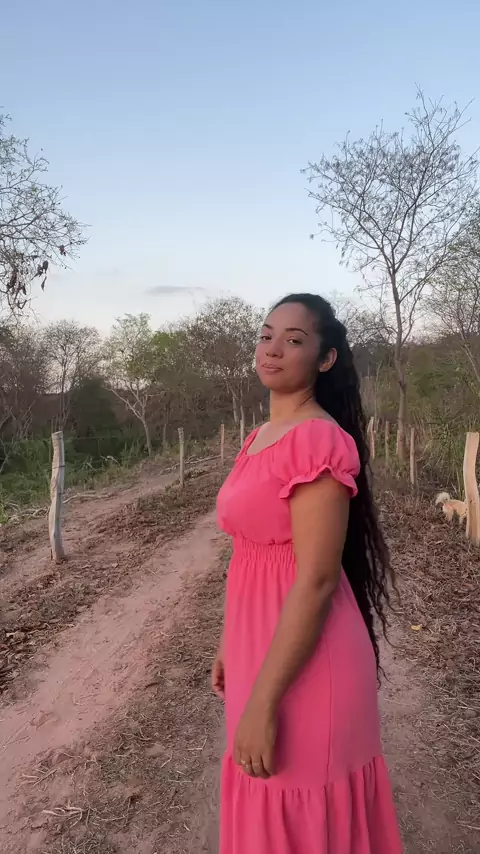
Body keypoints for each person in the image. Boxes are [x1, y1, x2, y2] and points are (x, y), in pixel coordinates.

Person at [213, 293, 402, 854]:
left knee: (303, 814)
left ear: (325, 358)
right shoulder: (257, 438)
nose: (272, 349)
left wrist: (263, 702)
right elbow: (248, 553)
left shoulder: (318, 440)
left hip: (309, 662)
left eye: (293, 340)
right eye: (266, 335)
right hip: (258, 645)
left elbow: (318, 580)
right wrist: (228, 641)